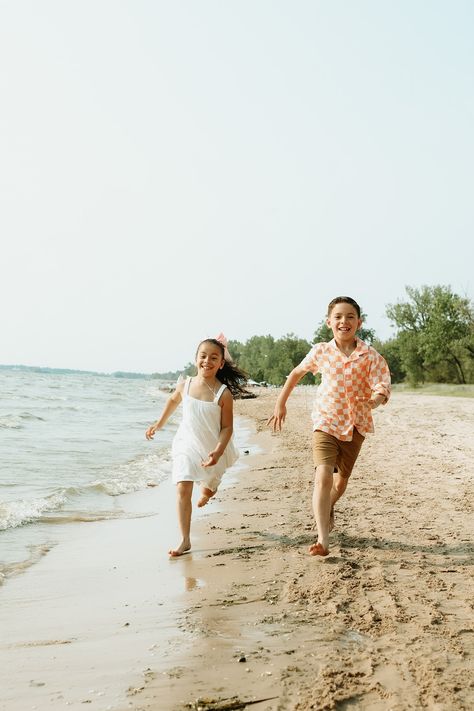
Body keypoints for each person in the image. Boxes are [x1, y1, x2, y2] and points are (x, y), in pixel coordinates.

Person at [267, 297, 391, 557]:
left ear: (359, 322)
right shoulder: (321, 351)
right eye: (338, 317)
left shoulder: (370, 355)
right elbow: (296, 374)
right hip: (325, 421)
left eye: (349, 317)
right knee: (322, 476)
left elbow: (382, 385)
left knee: (341, 482)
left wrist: (374, 401)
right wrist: (281, 404)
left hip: (356, 425)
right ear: (329, 322)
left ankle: (327, 507)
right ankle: (323, 539)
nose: (343, 321)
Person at [146, 335, 248, 557]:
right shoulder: (186, 384)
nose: (207, 361)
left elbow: (227, 428)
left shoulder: (224, 394)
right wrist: (159, 424)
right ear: (195, 359)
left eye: (214, 358)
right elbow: (173, 400)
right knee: (183, 486)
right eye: (203, 356)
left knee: (209, 486)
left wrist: (219, 451)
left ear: (221, 363)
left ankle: (208, 491)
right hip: (187, 443)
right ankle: (185, 540)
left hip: (213, 447)